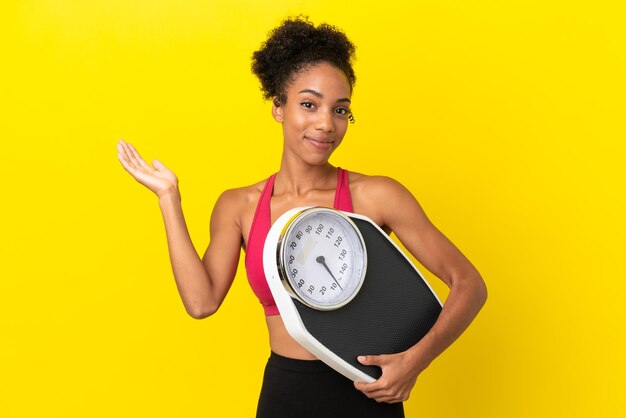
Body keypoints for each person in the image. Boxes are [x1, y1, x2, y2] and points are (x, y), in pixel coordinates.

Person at [116, 16, 487, 418]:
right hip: (285, 395)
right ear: (278, 106)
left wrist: (415, 361)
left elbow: (469, 284)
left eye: (340, 109)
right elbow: (201, 302)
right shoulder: (239, 206)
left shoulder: (376, 195)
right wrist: (169, 199)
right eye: (309, 104)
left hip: (368, 395)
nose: (326, 124)